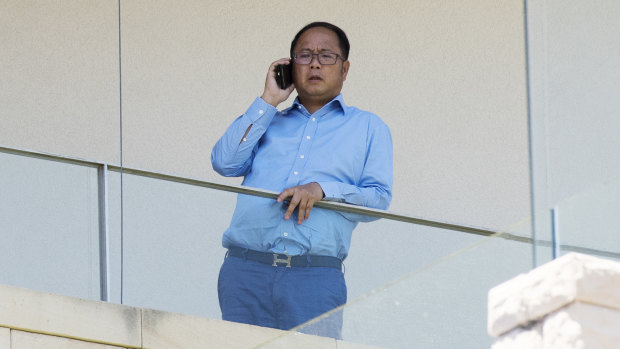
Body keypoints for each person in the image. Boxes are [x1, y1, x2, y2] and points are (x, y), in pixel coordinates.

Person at [211, 21, 393, 338]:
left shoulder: (368, 127)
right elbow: (224, 163)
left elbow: (377, 200)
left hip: (314, 276)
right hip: (245, 271)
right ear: (291, 66)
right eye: (304, 55)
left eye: (326, 56)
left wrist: (323, 190)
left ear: (345, 68)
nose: (315, 63)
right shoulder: (269, 120)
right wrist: (268, 100)